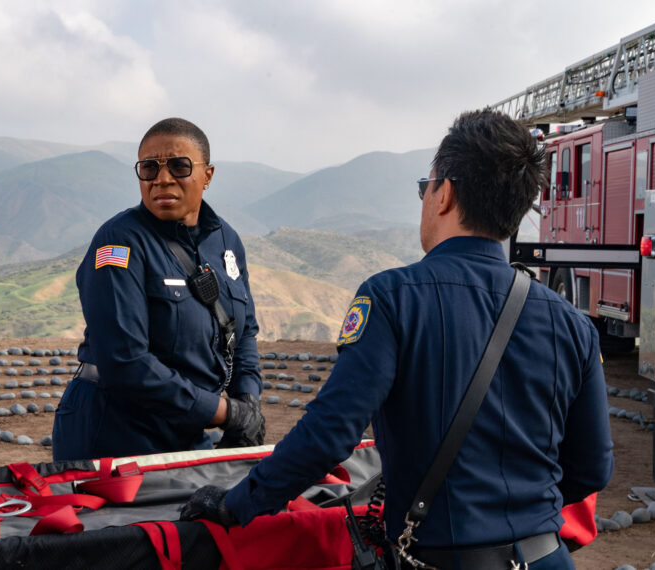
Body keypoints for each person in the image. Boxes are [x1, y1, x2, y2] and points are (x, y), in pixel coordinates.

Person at [181, 109, 614, 569]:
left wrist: (236, 504)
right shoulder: (572, 323)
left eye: (424, 187)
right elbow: (592, 467)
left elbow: (329, 434)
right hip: (547, 557)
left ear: (444, 193)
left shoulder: (392, 298)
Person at [52, 118, 264, 460]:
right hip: (116, 434)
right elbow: (125, 361)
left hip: (187, 431)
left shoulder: (226, 241)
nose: (162, 179)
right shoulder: (119, 243)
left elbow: (244, 332)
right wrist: (225, 413)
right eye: (149, 168)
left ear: (207, 175)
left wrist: (248, 401)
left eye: (179, 167)